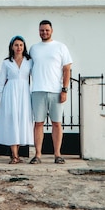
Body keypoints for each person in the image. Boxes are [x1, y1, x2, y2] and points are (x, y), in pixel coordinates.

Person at [29, 20, 72, 164]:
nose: (44, 32)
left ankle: (57, 154)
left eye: (47, 30)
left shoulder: (61, 47)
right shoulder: (33, 49)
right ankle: (38, 155)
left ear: (51, 30)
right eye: (41, 30)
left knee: (57, 123)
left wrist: (64, 89)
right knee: (38, 123)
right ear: (38, 31)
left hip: (56, 91)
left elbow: (67, 69)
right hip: (38, 91)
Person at [0, 35, 34, 164]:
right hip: (10, 93)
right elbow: (1, 81)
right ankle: (14, 155)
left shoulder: (29, 61)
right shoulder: (7, 62)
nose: (19, 47)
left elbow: (36, 76)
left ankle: (17, 154)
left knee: (22, 121)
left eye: (21, 45)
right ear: (12, 47)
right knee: (12, 121)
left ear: (24, 46)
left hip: (24, 94)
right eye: (16, 45)